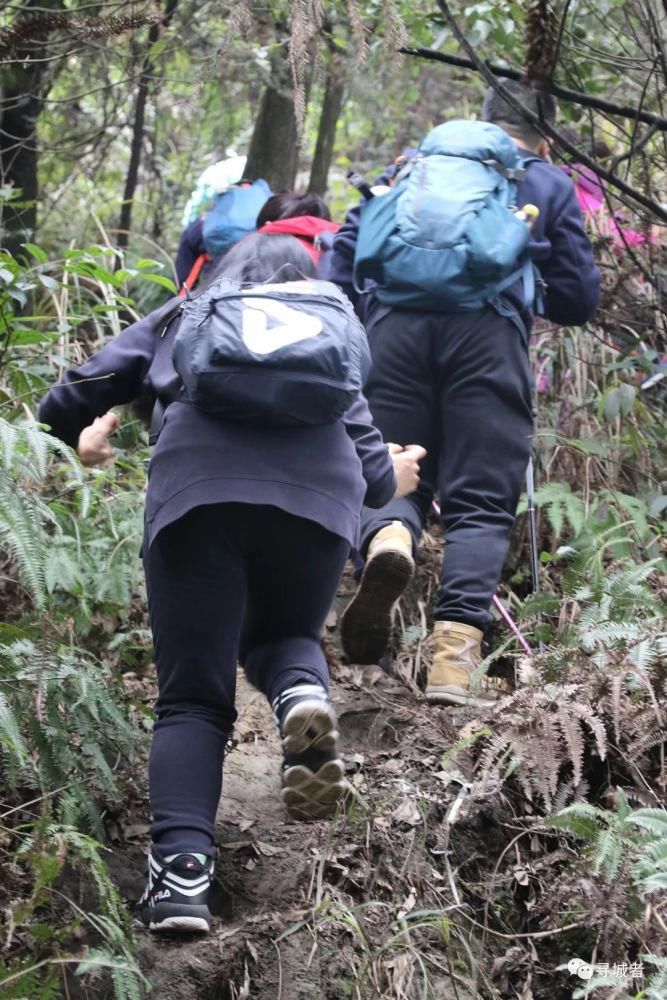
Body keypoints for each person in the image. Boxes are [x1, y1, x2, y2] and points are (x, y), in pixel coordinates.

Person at [37, 233, 425, 934]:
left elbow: (67, 398)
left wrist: (89, 432)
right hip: (315, 499)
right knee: (284, 636)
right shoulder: (332, 328)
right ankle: (302, 697)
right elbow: (372, 474)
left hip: (198, 493)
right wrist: (391, 478)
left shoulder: (186, 314)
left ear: (224, 277)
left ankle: (182, 881)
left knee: (193, 698)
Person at [328, 81, 600, 707]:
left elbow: (344, 260)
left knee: (396, 466)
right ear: (544, 138)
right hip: (488, 337)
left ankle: (389, 539)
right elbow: (579, 300)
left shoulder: (410, 167)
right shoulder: (545, 183)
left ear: (482, 120)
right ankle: (452, 667)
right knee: (482, 499)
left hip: (392, 333)